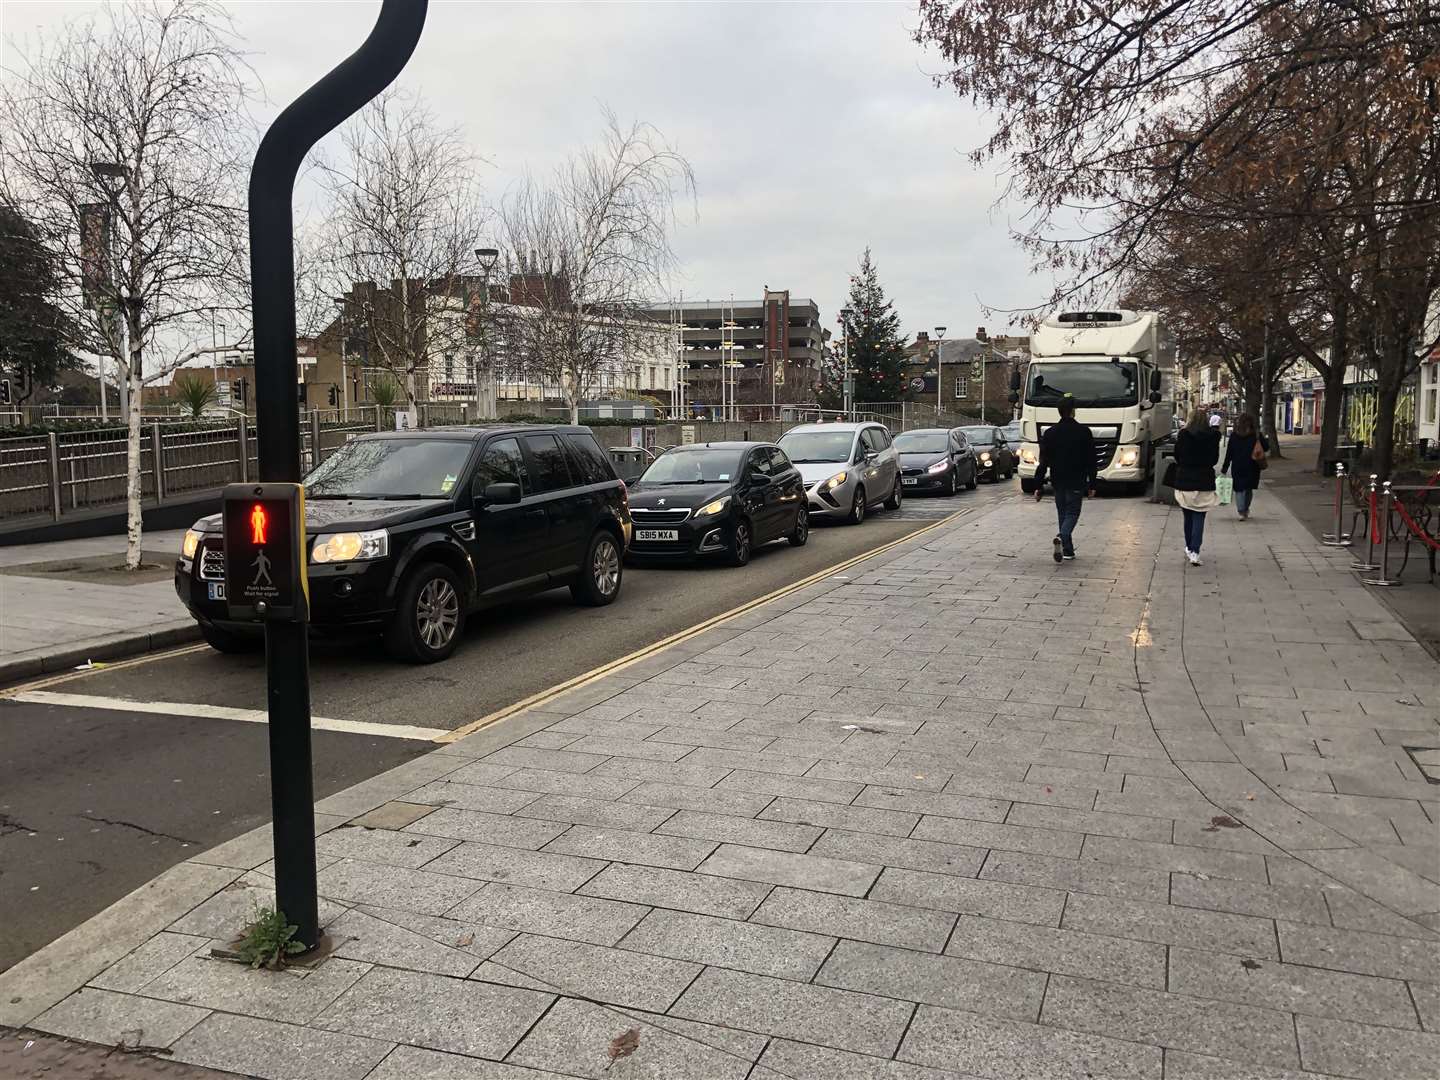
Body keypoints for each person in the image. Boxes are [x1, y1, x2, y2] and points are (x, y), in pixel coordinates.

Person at [1033, 395, 1096, 562]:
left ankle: (1067, 551)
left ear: (1059, 412)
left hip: (1058, 479)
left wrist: (1038, 485)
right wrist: (1092, 483)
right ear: (1073, 411)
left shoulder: (1050, 433)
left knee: (1062, 513)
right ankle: (1063, 536)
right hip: (1077, 479)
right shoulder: (1084, 432)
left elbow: (1043, 461)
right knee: (1073, 512)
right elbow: (1091, 460)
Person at [1172, 410, 1223, 565]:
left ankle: (1189, 546)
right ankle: (1195, 550)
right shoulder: (1213, 436)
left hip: (1185, 478)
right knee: (1199, 515)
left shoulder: (1183, 434)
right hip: (1204, 479)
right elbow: (1214, 459)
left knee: (1187, 515)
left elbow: (1177, 455)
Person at [1222, 413, 1269, 520]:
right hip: (1252, 466)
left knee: (1239, 489)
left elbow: (1229, 453)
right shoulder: (1256, 435)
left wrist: (1225, 467)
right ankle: (1245, 509)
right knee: (1248, 488)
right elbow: (1266, 448)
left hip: (1238, 466)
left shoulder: (1234, 435)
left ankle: (1241, 511)